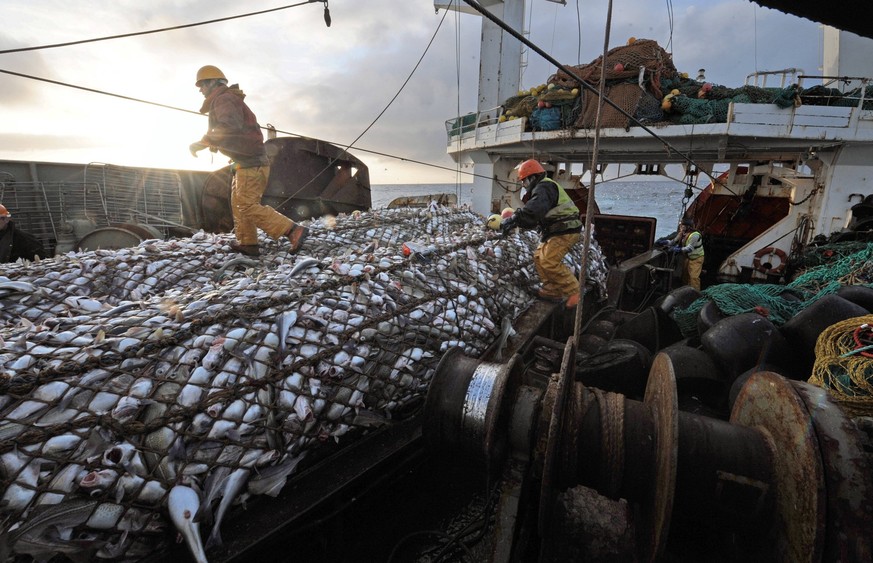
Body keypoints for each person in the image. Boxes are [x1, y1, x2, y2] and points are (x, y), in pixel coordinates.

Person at [189, 65, 307, 257]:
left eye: (202, 85)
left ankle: (293, 230)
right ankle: (248, 243)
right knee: (239, 203)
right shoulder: (226, 99)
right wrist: (218, 143)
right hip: (246, 162)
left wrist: (204, 141)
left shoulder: (224, 99)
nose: (200, 90)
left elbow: (229, 125)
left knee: (247, 205)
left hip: (251, 163)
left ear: (212, 83)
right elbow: (233, 130)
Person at [501, 159, 583, 308]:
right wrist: (516, 221)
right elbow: (534, 217)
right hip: (555, 231)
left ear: (532, 177)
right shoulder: (543, 187)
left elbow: (534, 210)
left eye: (524, 181)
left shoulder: (544, 187)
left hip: (565, 230)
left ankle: (574, 291)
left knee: (549, 261)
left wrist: (515, 218)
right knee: (539, 257)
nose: (524, 185)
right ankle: (552, 289)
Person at [667, 217, 705, 290]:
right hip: (688, 258)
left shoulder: (695, 235)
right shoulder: (682, 233)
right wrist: (666, 242)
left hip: (696, 258)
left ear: (688, 227)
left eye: (682, 226)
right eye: (680, 225)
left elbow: (689, 248)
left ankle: (695, 294)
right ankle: (685, 291)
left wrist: (676, 249)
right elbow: (674, 241)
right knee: (685, 276)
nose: (680, 227)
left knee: (693, 277)